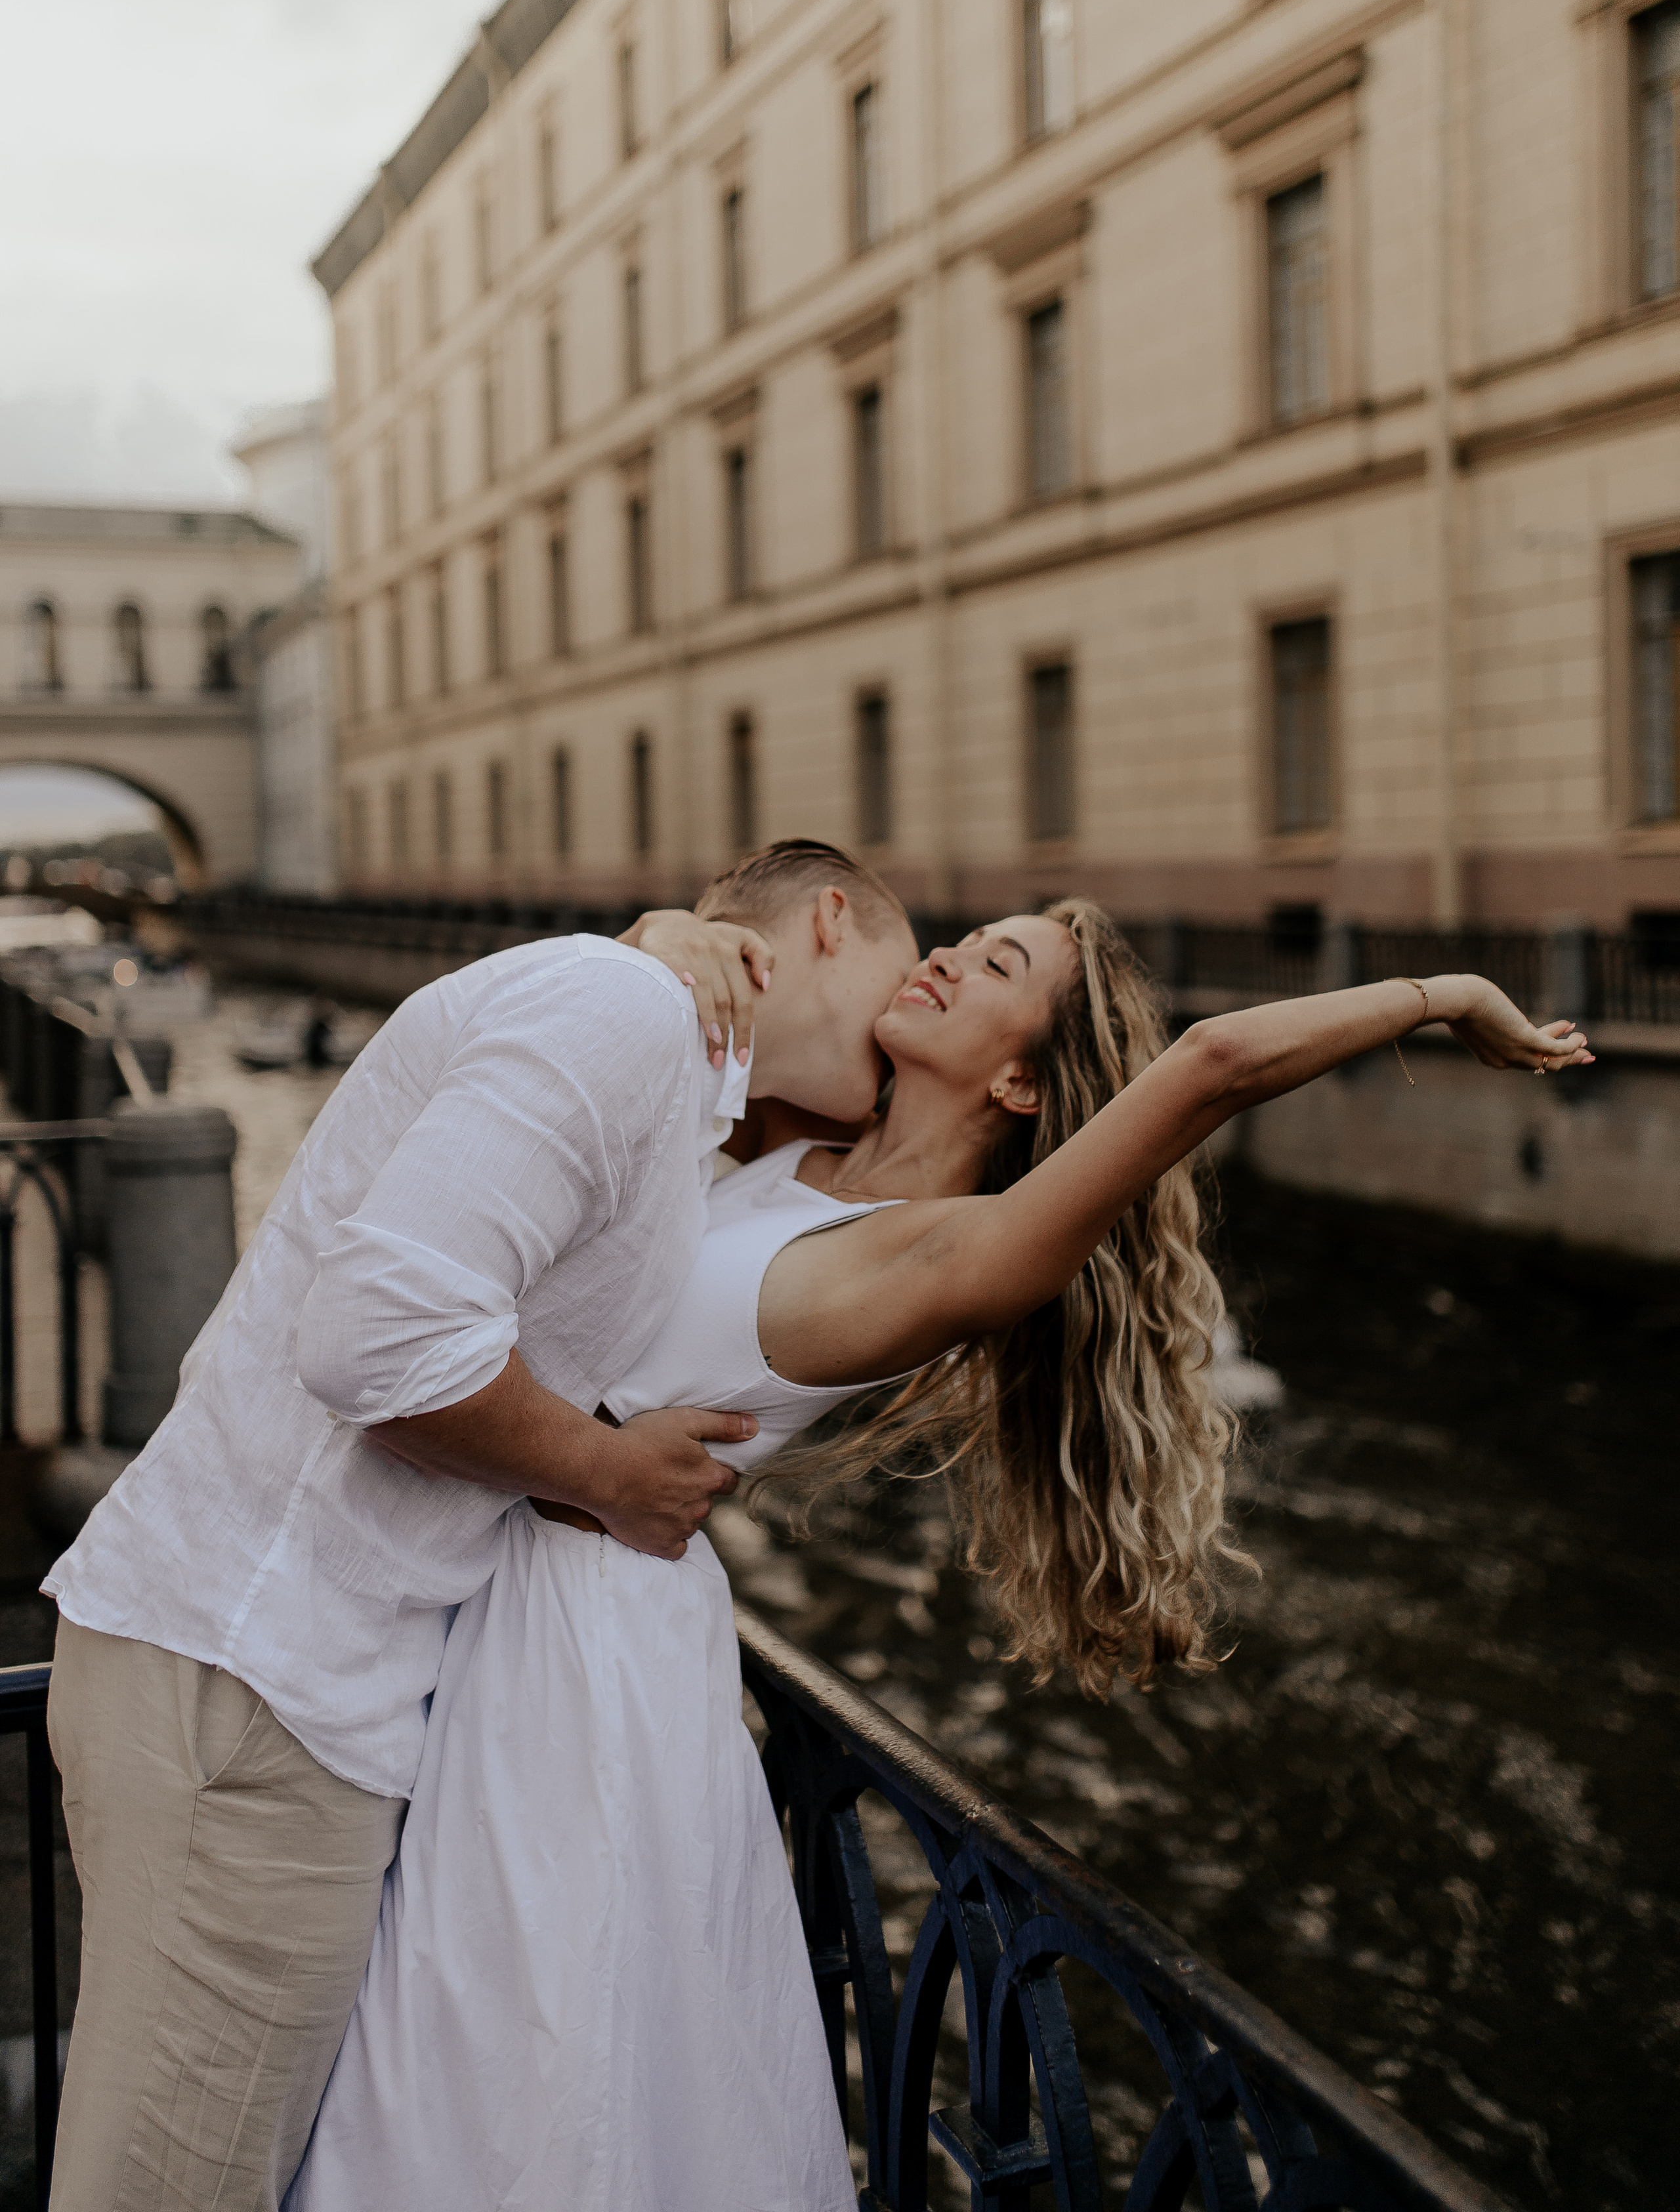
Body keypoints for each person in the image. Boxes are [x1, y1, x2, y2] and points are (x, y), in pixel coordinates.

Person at [289, 899, 1591, 2211]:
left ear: (1018, 1076)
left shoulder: (951, 1250)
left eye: (997, 964)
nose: (948, 954)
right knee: (468, 2047)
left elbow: (1208, 1066)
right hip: (514, 1590)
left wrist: (1439, 992)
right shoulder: (791, 1151)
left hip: (583, 1654)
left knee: (519, 2080)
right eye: (964, 939)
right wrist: (665, 936)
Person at [41, 843, 918, 2212]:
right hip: (254, 1688)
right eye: (906, 967)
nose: (913, 1006)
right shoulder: (625, 1018)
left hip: (276, 1685)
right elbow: (377, 1338)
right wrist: (609, 1472)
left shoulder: (654, 1040)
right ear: (825, 921)